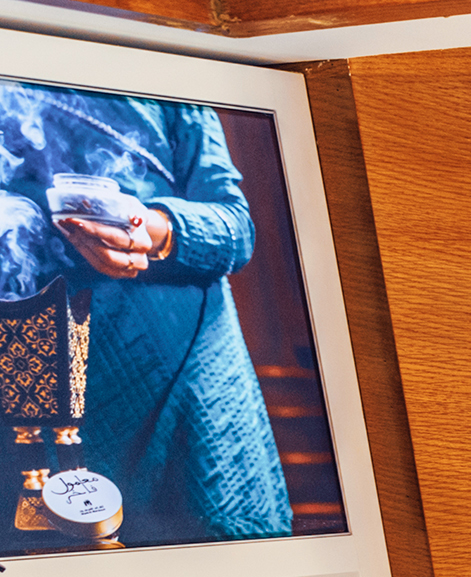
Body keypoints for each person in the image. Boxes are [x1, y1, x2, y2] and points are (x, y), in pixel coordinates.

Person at [0, 82, 291, 546]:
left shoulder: (159, 76)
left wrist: (149, 230)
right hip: (25, 401)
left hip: (185, 392)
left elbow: (236, 229)